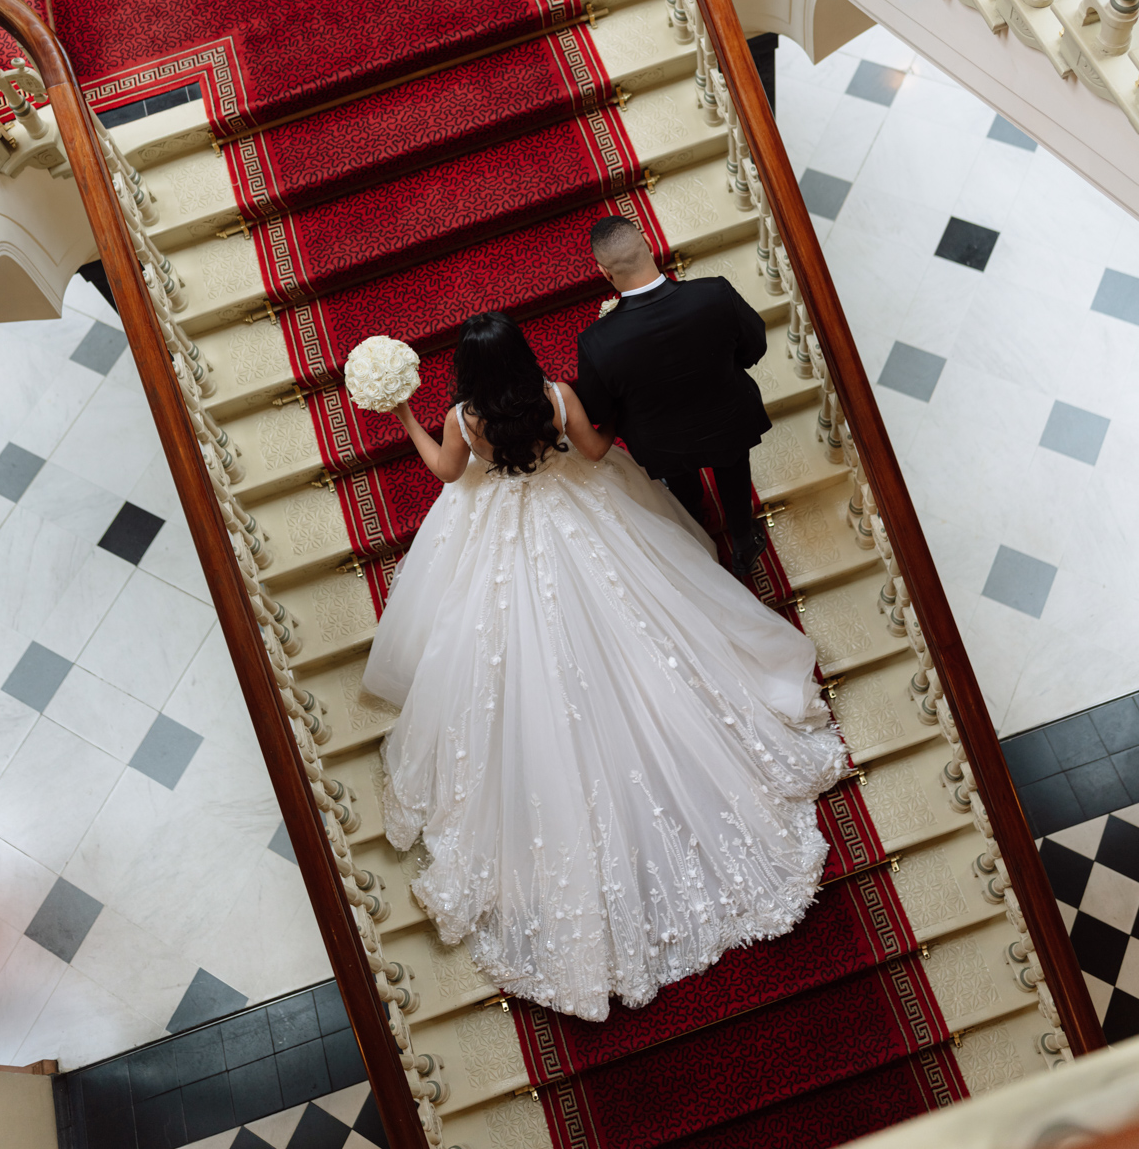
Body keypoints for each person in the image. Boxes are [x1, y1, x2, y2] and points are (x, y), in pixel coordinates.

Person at [361, 310, 846, 1024]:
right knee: (648, 618)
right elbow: (592, 454)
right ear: (521, 356)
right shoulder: (554, 396)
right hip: (575, 511)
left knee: (507, 655)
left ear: (467, 371)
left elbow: (444, 471)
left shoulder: (463, 419)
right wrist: (600, 415)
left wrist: (404, 413)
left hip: (501, 530)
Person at [575, 216, 772, 577]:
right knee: (732, 466)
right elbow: (755, 346)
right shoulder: (715, 293)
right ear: (649, 244)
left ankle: (695, 530)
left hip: (662, 443)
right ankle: (744, 542)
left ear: (604, 272)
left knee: (682, 485)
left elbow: (598, 409)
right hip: (727, 419)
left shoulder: (596, 341)